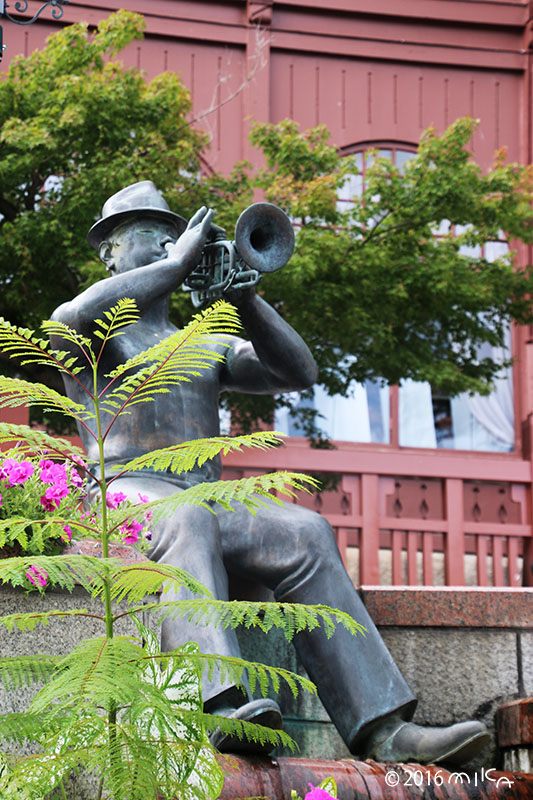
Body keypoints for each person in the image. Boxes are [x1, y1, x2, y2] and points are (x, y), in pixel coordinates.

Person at [52, 181, 489, 765]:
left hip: (204, 497)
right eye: (147, 234)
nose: (166, 244)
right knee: (188, 518)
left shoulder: (203, 342)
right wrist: (180, 263)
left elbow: (297, 370)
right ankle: (218, 705)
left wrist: (247, 298)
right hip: (127, 492)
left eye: (171, 234)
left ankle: (384, 729)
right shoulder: (89, 334)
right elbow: (74, 314)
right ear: (109, 252)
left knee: (306, 532)